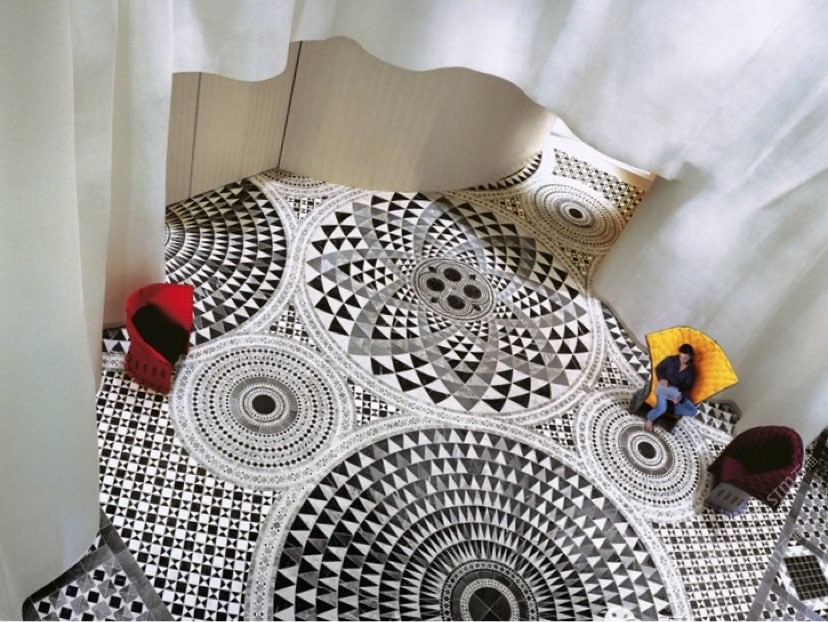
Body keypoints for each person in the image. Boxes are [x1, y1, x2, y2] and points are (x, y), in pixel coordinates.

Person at [644, 343, 698, 432]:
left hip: (676, 392)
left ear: (690, 357)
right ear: (679, 353)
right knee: (662, 408)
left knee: (693, 411)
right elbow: (658, 368)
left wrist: (679, 396)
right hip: (664, 387)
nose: (682, 360)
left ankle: (670, 408)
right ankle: (649, 419)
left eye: (685, 358)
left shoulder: (691, 371)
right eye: (681, 357)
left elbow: (687, 387)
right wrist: (662, 379)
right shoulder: (670, 360)